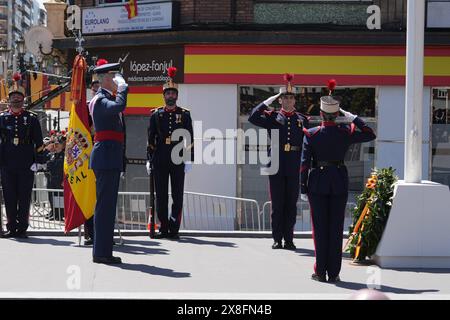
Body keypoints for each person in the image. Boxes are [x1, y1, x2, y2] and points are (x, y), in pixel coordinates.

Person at [300, 79, 376, 283]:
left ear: (322, 114)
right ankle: (334, 273)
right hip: (339, 182)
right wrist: (355, 118)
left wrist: (303, 186)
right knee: (335, 229)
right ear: (337, 114)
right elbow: (370, 134)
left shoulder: (312, 134)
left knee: (320, 229)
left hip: (317, 183)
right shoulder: (346, 132)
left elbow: (304, 163)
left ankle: (320, 271)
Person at [248, 74, 309, 250]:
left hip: (294, 164)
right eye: (285, 98)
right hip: (275, 164)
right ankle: (277, 239)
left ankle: (289, 239)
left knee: (291, 204)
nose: (288, 101)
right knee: (277, 205)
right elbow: (252, 117)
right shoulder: (272, 116)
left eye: (291, 98)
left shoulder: (302, 119)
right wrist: (267, 101)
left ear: (294, 100)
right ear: (280, 100)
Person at [146, 67, 194, 240]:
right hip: (160, 158)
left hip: (178, 157)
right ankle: (163, 227)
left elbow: (190, 138)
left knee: (177, 196)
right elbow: (150, 139)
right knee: (161, 196)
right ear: (164, 95)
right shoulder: (156, 115)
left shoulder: (185, 114)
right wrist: (149, 159)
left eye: (173, 93)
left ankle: (174, 228)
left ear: (177, 96)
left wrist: (190, 160)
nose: (171, 96)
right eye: (168, 93)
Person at [88, 59, 128, 264]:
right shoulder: (102, 100)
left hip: (108, 156)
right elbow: (120, 105)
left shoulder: (103, 98)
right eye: (114, 77)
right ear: (105, 79)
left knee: (107, 206)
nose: (118, 80)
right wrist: (123, 89)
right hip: (106, 156)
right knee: (105, 207)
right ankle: (102, 252)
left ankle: (102, 250)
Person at [0, 80, 45, 238]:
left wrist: (38, 161)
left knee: (24, 197)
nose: (16, 100)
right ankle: (11, 227)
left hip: (26, 164)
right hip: (7, 164)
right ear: (9, 101)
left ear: (23, 100)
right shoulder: (2, 118)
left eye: (19, 97)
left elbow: (39, 142)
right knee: (9, 197)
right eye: (13, 97)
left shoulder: (31, 118)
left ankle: (22, 228)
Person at [84, 79, 100, 245]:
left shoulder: (112, 107)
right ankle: (90, 232)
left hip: (104, 155)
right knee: (89, 197)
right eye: (94, 87)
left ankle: (104, 233)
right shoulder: (85, 107)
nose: (97, 89)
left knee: (104, 197)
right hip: (88, 157)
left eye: (99, 86)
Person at [44, 132, 66, 221]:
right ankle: (54, 212)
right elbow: (48, 165)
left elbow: (61, 167)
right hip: (52, 178)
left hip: (59, 178)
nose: (56, 145)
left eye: (58, 144)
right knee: (52, 197)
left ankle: (59, 214)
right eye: (55, 143)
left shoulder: (64, 155)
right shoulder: (53, 154)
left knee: (59, 197)